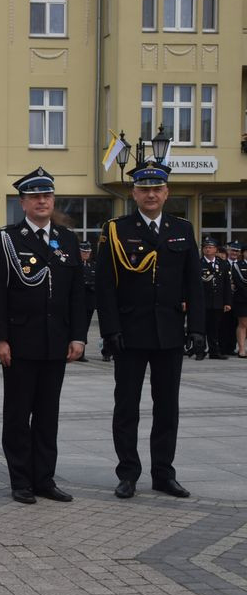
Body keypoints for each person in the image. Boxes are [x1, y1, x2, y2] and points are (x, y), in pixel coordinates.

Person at [96, 159, 205, 500]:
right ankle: (128, 473)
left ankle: (163, 473)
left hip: (169, 333)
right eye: (144, 189)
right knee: (127, 407)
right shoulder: (117, 229)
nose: (151, 194)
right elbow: (104, 286)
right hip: (130, 332)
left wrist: (197, 328)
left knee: (167, 407)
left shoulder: (182, 229)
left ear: (166, 192)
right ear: (134, 193)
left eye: (157, 189)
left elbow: (194, 283)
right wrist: (109, 329)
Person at [0, 168, 86, 504]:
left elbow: (77, 294)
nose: (42, 201)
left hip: (55, 341)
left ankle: (44, 478)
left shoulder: (67, 239)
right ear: (23, 203)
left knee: (48, 414)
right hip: (20, 341)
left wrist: (78, 336)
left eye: (47, 195)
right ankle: (21, 480)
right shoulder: (8, 239)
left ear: (52, 200)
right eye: (34, 197)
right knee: (18, 414)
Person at [199, 237, 232, 359]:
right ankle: (200, 350)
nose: (208, 249)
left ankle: (214, 351)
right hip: (203, 301)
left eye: (210, 247)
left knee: (215, 328)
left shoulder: (222, 264)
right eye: (205, 247)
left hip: (217, 302)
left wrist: (227, 302)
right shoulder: (198, 263)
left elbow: (226, 285)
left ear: (216, 249)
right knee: (202, 327)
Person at [77, 241, 96, 362]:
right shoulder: (76, 265)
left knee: (85, 327)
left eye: (88, 252)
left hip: (89, 302)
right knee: (78, 326)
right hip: (78, 302)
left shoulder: (93, 265)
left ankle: (82, 351)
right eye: (84, 252)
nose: (86, 254)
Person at [228, 242, 247, 357]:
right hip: (242, 299)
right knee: (243, 324)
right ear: (243, 253)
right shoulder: (237, 265)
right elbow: (239, 283)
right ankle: (241, 349)